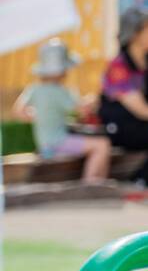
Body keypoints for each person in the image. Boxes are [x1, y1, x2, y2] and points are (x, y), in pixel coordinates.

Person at [99, 7, 148, 190]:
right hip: (122, 126)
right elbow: (141, 110)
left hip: (147, 122)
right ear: (135, 34)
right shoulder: (119, 67)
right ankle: (143, 179)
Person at [14, 38, 112, 181]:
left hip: (43, 144)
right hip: (58, 143)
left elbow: (18, 111)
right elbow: (81, 110)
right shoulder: (61, 91)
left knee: (96, 144)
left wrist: (39, 116)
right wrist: (93, 100)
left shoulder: (34, 89)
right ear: (62, 70)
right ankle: (90, 183)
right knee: (102, 145)